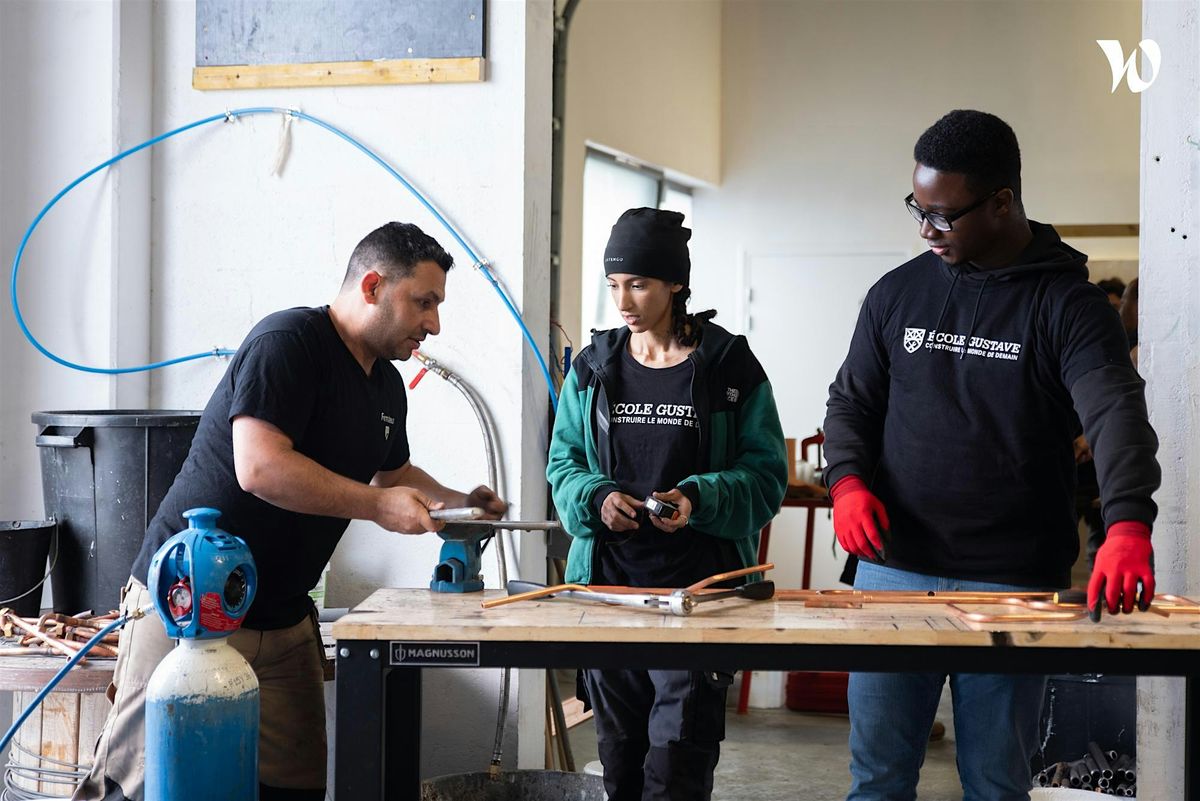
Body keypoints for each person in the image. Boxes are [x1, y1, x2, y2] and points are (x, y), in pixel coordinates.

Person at [74, 222, 507, 801]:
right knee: (140, 785)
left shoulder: (385, 386)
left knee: (295, 788)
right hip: (186, 603)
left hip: (281, 619)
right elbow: (260, 468)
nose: (433, 323)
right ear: (373, 286)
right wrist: (379, 507)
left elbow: (394, 474)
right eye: (423, 302)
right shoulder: (288, 342)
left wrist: (461, 504)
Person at [823, 110, 1159, 801]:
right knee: (877, 780)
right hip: (893, 573)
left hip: (1010, 582)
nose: (926, 229)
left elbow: (1115, 412)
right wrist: (848, 480)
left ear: (1002, 202)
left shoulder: (1069, 305)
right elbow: (850, 402)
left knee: (997, 784)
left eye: (943, 216)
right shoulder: (897, 293)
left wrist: (1127, 521)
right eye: (917, 209)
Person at [547, 208, 787, 801]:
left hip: (699, 603)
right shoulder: (595, 370)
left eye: (639, 284)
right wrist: (597, 497)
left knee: (676, 767)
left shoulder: (730, 367)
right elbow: (563, 466)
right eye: (613, 286)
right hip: (610, 598)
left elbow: (765, 477)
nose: (623, 301)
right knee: (620, 763)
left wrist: (699, 497)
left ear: (676, 283)